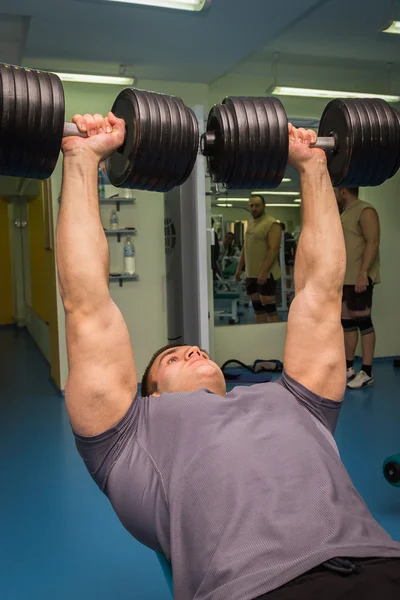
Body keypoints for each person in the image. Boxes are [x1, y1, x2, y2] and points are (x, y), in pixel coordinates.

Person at [57, 114, 400, 600]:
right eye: (173, 359)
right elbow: (87, 304)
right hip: (255, 589)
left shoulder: (297, 400)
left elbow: (321, 293)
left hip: (381, 563)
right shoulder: (128, 440)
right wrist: (81, 159)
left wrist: (313, 164)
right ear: (148, 396)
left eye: (194, 349)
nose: (193, 349)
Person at [335, 187, 380, 389]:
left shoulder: (365, 210)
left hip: (358, 277)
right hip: (345, 278)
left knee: (363, 322)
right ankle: (349, 367)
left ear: (343, 191)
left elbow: (373, 242)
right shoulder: (344, 214)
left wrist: (363, 273)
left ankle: (367, 372)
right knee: (347, 322)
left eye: (335, 190)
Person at [235, 195, 282, 324]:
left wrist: (264, 272)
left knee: (269, 306)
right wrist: (239, 269)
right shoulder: (250, 223)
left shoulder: (272, 223)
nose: (254, 208)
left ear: (263, 206)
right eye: (251, 205)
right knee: (257, 307)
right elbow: (246, 246)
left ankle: (274, 338)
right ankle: (261, 338)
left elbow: (274, 249)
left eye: (257, 205)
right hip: (251, 273)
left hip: (266, 274)